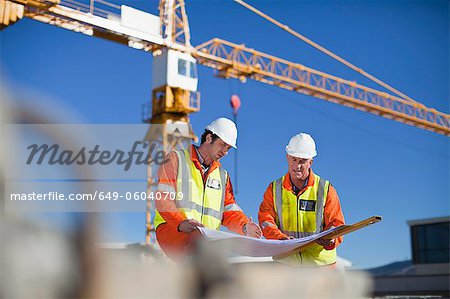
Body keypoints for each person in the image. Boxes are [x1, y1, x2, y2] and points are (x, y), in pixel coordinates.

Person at [154, 117, 261, 261]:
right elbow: (163, 199)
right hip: (173, 230)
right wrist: (180, 222)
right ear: (209, 138)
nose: (225, 152)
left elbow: (229, 210)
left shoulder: (222, 176)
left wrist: (245, 226)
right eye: (223, 145)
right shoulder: (176, 160)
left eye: (228, 148)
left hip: (204, 242)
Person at [258, 133, 345, 266]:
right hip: (287, 265)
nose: (297, 166)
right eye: (294, 159)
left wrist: (331, 239)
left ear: (311, 162)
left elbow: (336, 223)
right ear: (287, 157)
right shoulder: (274, 189)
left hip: (320, 266)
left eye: (302, 161)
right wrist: (281, 239)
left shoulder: (325, 189)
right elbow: (266, 220)